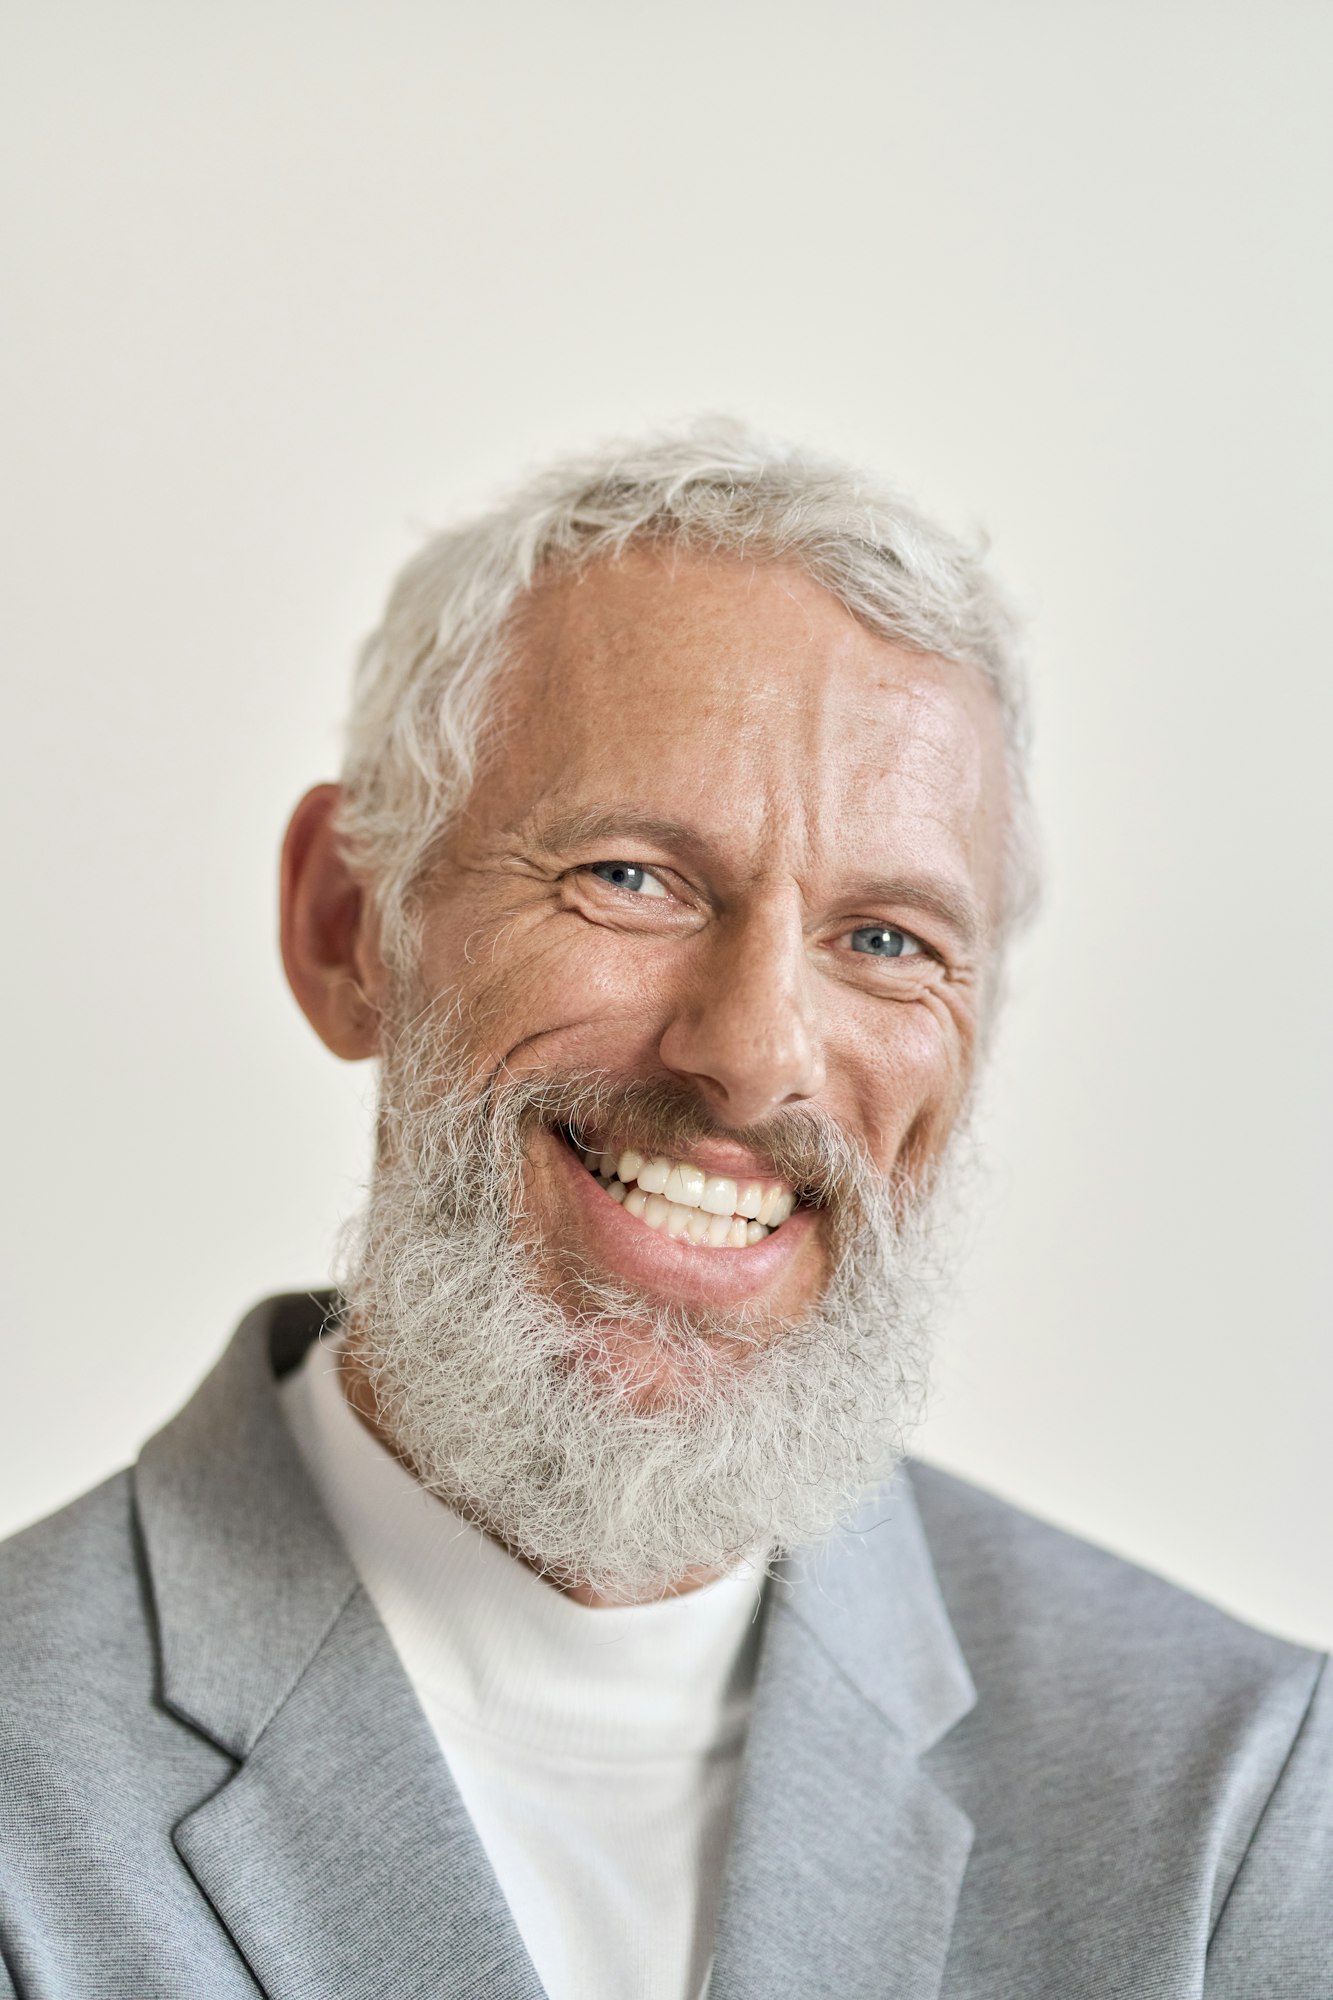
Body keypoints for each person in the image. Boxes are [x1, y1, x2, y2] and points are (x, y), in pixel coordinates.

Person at [1, 423, 1328, 2000]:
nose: (754, 1059)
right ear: (348, 924)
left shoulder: (1238, 1804)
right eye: (631, 877)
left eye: (887, 939)